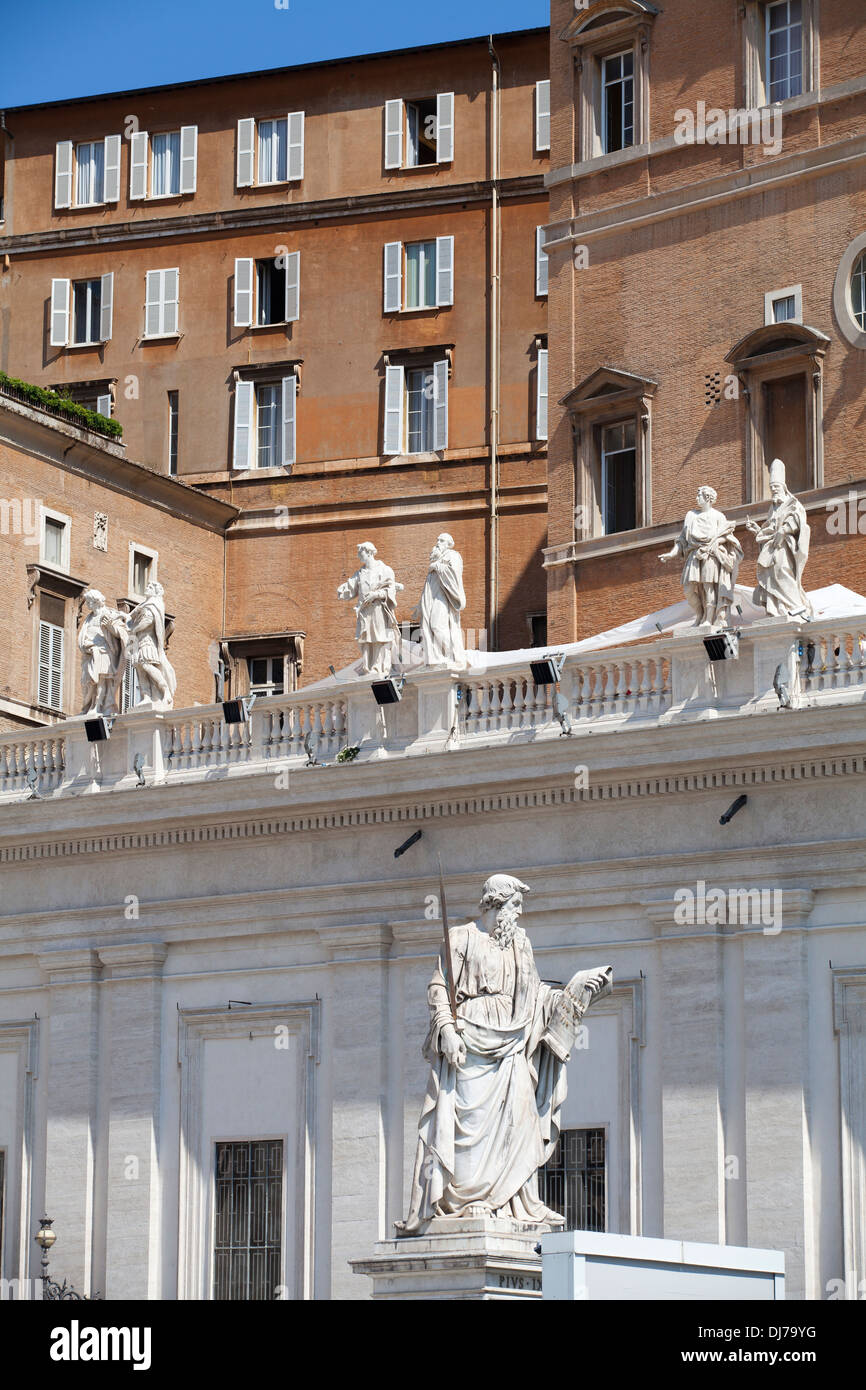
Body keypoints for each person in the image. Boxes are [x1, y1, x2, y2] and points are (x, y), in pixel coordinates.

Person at [399, 873, 611, 1231]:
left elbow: (536, 999)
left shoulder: (519, 945)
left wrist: (576, 990)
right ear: (495, 904)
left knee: (520, 1119)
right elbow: (439, 988)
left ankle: (516, 1201)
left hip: (513, 1044)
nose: (518, 914)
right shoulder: (462, 938)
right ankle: (469, 1200)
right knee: (471, 1124)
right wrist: (447, 1029)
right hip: (470, 1044)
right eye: (515, 906)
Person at [659, 485, 743, 630]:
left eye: (699, 495)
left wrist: (716, 542)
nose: (696, 498)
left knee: (708, 587)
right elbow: (682, 540)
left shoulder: (718, 516)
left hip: (710, 555)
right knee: (688, 590)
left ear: (708, 498)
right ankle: (699, 614)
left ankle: (709, 619)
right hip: (694, 555)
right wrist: (671, 554)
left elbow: (726, 537)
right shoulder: (691, 515)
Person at [745, 457, 812, 620]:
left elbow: (798, 519)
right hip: (772, 549)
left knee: (783, 571)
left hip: (784, 547)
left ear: (783, 487)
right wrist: (757, 531)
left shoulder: (792, 503)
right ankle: (776, 609)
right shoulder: (772, 509)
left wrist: (784, 529)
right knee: (771, 575)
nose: (773, 489)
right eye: (771, 487)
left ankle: (793, 607)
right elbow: (769, 531)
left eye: (776, 486)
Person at [337, 542, 401, 676]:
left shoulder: (385, 570)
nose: (358, 556)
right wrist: (341, 591)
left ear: (369, 553)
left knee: (379, 638)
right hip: (365, 612)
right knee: (366, 639)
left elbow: (391, 590)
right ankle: (368, 667)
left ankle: (378, 667)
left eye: (361, 553)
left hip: (379, 609)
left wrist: (376, 594)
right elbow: (350, 587)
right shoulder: (360, 573)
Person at [415, 533, 466, 667]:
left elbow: (454, 574)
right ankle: (437, 656)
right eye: (437, 540)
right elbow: (428, 587)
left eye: (442, 540)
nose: (438, 542)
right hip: (432, 599)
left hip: (444, 598)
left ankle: (450, 655)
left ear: (449, 544)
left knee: (437, 625)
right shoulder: (435, 561)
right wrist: (420, 605)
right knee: (429, 627)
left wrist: (437, 566)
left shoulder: (453, 555)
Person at [126, 580, 177, 710]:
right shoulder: (144, 604)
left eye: (150, 587)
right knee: (140, 670)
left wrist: (133, 629)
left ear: (156, 591)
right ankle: (146, 697)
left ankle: (165, 691)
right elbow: (130, 617)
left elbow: (148, 621)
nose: (147, 588)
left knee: (147, 665)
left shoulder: (154, 604)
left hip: (148, 641)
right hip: (138, 641)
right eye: (147, 585)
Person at [78, 589, 127, 715]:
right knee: (89, 682)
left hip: (105, 651)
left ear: (96, 601)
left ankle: (98, 706)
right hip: (91, 652)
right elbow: (84, 634)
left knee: (101, 680)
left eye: (90, 601)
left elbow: (121, 632)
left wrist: (110, 627)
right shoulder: (89, 618)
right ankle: (90, 706)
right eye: (87, 602)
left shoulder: (109, 614)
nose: (87, 604)